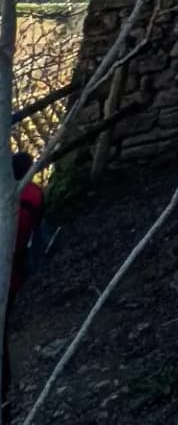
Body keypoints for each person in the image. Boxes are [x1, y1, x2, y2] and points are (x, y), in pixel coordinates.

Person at [2, 153, 44, 424]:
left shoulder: (7, 196)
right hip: (15, 275)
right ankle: (4, 395)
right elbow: (39, 234)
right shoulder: (36, 195)